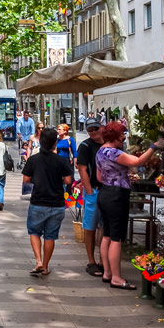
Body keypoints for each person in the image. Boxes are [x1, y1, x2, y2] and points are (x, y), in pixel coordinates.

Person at [96, 122, 163, 290]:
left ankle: (107, 273)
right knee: (117, 238)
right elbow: (139, 161)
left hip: (104, 193)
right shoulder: (115, 153)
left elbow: (99, 177)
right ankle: (117, 278)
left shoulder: (100, 152)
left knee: (107, 234)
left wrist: (120, 177)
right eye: (121, 135)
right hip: (117, 196)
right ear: (115, 136)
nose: (124, 137)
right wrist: (154, 146)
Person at [21, 127, 72, 276]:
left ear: (40, 142)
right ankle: (45, 266)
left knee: (34, 232)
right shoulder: (61, 161)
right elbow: (68, 180)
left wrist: (37, 180)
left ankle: (38, 261)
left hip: (38, 202)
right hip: (57, 204)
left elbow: (26, 180)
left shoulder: (33, 160)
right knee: (50, 236)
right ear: (55, 143)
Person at [75, 118, 104, 277]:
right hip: (93, 190)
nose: (93, 132)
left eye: (95, 129)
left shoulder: (108, 144)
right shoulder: (85, 146)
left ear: (101, 128)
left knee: (104, 227)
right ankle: (91, 261)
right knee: (90, 226)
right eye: (90, 130)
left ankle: (103, 260)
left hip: (106, 191)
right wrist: (89, 191)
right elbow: (82, 169)